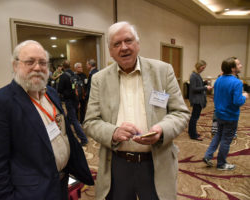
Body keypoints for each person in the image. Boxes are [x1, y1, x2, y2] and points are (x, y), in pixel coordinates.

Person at [83, 21, 190, 200]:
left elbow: (181, 113)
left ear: (138, 44)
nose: (124, 47)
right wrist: (114, 132)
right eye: (117, 44)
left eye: (128, 41)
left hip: (156, 162)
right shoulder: (99, 80)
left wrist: (162, 130)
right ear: (110, 51)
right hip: (117, 164)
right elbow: (90, 121)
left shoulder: (162, 71)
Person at [0, 40, 94, 200]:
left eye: (42, 63)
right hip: (31, 193)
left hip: (61, 183)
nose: (37, 67)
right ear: (15, 65)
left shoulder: (51, 93)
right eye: (30, 62)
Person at [203, 57, 248, 170]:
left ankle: (208, 155)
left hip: (219, 114)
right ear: (233, 69)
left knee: (218, 135)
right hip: (230, 115)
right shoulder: (237, 82)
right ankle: (221, 164)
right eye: (238, 65)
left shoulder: (218, 79)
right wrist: (244, 96)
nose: (240, 66)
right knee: (226, 140)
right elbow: (237, 101)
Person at [58, 60, 88, 146]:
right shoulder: (75, 75)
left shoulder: (63, 76)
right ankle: (67, 133)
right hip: (76, 99)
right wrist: (78, 101)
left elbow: (59, 89)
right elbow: (77, 89)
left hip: (69, 100)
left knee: (74, 120)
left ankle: (83, 139)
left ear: (63, 67)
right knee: (68, 119)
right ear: (70, 66)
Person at [188, 60, 213, 141]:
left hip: (198, 99)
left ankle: (191, 132)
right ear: (198, 66)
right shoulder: (193, 75)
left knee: (195, 117)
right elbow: (194, 88)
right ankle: (193, 135)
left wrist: (204, 83)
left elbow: (198, 85)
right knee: (194, 118)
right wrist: (206, 88)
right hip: (196, 100)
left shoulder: (197, 75)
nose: (203, 69)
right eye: (203, 67)